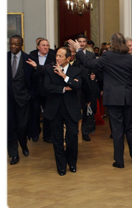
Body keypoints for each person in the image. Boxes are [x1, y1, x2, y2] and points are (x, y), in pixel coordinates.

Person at [68, 33, 132, 168]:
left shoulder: (108, 56)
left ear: (112, 43)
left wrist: (78, 49)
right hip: (128, 96)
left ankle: (119, 161)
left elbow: (89, 63)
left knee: (117, 129)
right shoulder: (130, 58)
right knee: (131, 128)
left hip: (113, 97)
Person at [43, 47, 82, 176]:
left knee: (72, 138)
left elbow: (77, 86)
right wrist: (65, 88)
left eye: (60, 56)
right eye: (57, 56)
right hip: (55, 109)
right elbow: (47, 87)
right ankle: (61, 166)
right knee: (57, 139)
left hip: (71, 110)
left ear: (68, 58)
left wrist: (63, 76)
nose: (57, 58)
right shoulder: (49, 70)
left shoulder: (76, 70)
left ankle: (72, 163)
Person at [5, 35, 37, 165]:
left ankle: (23, 145)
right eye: (11, 44)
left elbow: (35, 81)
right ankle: (14, 154)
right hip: (7, 100)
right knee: (8, 127)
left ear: (21, 45)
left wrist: (30, 96)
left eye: (16, 44)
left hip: (23, 100)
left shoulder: (29, 60)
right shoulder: (4, 58)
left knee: (22, 127)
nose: (13, 46)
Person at [29, 38, 56, 143]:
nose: (46, 47)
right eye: (44, 45)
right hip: (35, 90)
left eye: (47, 45)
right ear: (38, 47)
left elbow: (49, 69)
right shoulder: (32, 55)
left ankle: (47, 135)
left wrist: (37, 67)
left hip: (48, 90)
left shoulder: (53, 56)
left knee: (48, 114)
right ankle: (35, 133)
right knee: (35, 112)